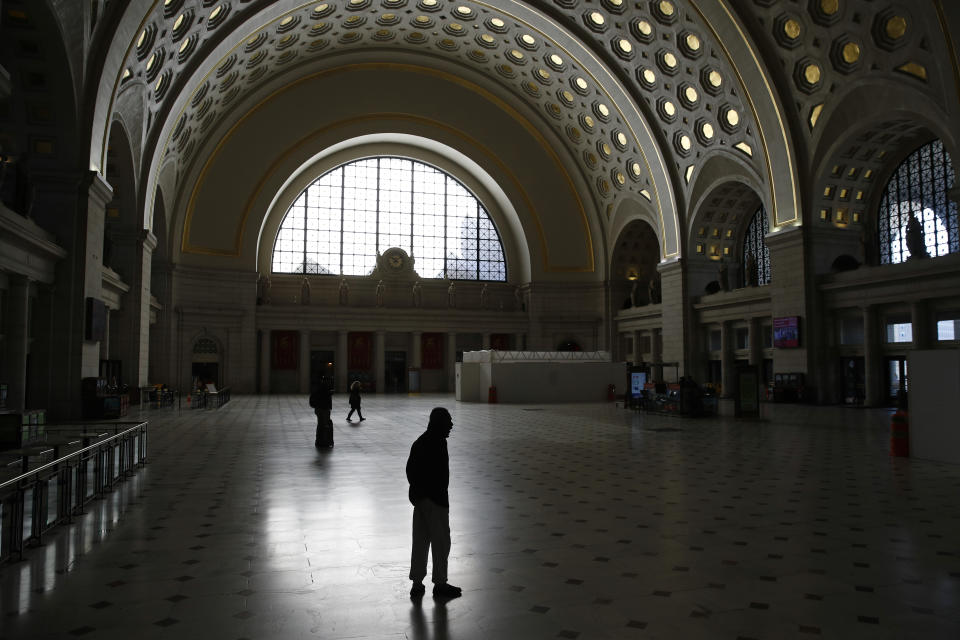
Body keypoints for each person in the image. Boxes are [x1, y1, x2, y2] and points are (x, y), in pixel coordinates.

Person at [406, 407, 461, 599]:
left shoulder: (420, 442)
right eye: (448, 422)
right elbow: (439, 477)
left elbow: (410, 472)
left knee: (420, 541)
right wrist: (434, 494)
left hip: (420, 501)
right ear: (439, 423)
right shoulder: (438, 443)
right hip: (435, 501)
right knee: (441, 543)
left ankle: (417, 583)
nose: (451, 426)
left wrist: (419, 495)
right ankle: (440, 583)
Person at [309, 375, 333, 448]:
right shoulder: (324, 387)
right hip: (323, 409)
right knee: (324, 425)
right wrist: (329, 393)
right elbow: (323, 397)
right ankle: (324, 441)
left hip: (319, 408)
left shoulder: (318, 387)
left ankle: (319, 441)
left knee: (320, 425)